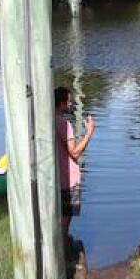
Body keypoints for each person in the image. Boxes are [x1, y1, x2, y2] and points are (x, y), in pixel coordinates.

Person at [54, 86, 95, 241]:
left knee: (60, 218)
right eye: (69, 101)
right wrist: (88, 133)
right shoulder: (64, 124)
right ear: (62, 103)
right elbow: (75, 152)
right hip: (68, 180)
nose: (71, 105)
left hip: (56, 178)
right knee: (66, 218)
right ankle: (63, 252)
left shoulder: (46, 121)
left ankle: (62, 245)